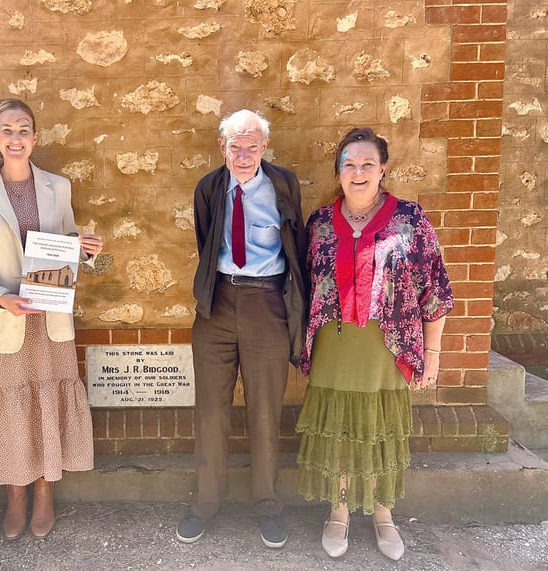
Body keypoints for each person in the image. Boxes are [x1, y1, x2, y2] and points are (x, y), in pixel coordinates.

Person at [295, 127, 454, 560]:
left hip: (387, 347)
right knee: (339, 429)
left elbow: (436, 291)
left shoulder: (410, 219)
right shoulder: (319, 224)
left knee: (381, 429)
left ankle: (383, 514)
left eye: (367, 163)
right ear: (338, 171)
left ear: (383, 169)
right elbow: (302, 288)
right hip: (334, 347)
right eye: (349, 164)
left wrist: (432, 355)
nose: (358, 171)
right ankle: (339, 510)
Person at [0, 98, 103, 540]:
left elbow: (66, 245)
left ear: (35, 137)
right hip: (2, 318)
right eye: (7, 129)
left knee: (46, 404)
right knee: (10, 411)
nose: (15, 137)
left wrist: (85, 250)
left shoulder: (59, 187)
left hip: (48, 320)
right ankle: (15, 494)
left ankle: (44, 491)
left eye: (23, 129)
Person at [176, 109, 308, 548]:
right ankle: (206, 501)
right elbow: (206, 241)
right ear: (223, 147)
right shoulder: (209, 188)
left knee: (265, 409)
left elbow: (296, 245)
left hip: (266, 303)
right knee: (210, 410)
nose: (244, 155)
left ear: (264, 147)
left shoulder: (284, 185)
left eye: (253, 146)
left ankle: (267, 504)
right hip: (216, 303)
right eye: (236, 146)